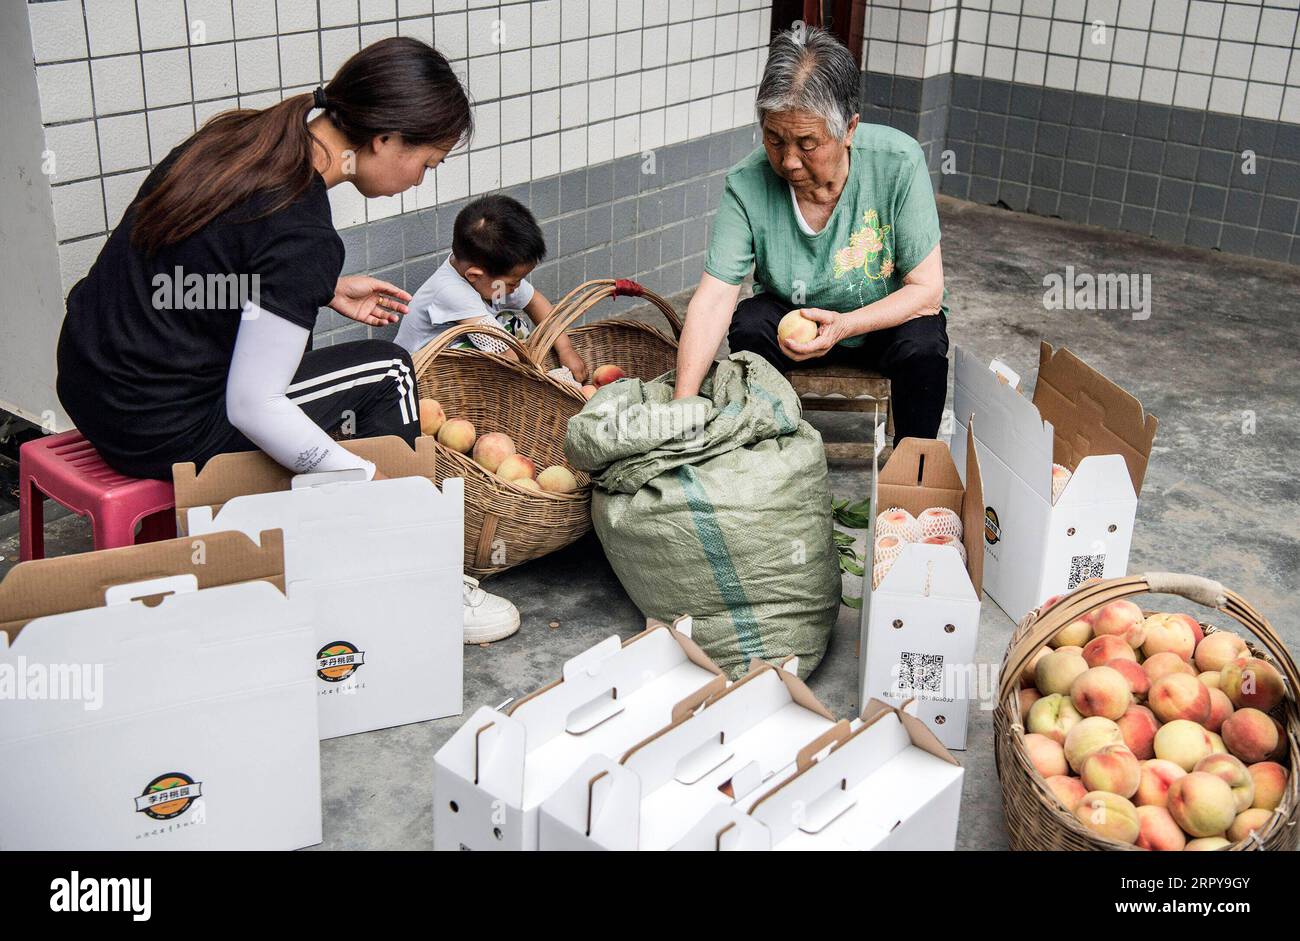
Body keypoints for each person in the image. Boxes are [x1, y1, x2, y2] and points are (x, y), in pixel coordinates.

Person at [55, 37, 516, 643]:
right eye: (427, 163)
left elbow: (183, 282)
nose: (419, 181)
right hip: (157, 426)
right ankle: (411, 571)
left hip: (91, 383)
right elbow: (253, 405)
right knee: (391, 371)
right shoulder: (300, 230)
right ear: (383, 140)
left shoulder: (237, 138)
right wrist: (361, 480)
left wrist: (317, 289)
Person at [672, 27, 950, 443]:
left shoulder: (898, 162)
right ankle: (768, 456)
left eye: (807, 143)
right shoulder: (747, 183)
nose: (789, 161)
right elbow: (714, 298)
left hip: (876, 322)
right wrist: (682, 404)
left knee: (924, 343)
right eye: (774, 138)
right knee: (749, 325)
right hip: (793, 327)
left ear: (849, 129)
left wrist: (845, 325)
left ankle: (915, 474)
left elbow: (927, 291)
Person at [395, 194, 589, 385]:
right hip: (423, 375)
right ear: (474, 275)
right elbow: (504, 351)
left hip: (466, 344)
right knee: (498, 348)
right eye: (513, 283)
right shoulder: (450, 291)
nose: (517, 288)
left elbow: (535, 301)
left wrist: (565, 349)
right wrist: (539, 379)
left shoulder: (491, 276)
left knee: (512, 324)